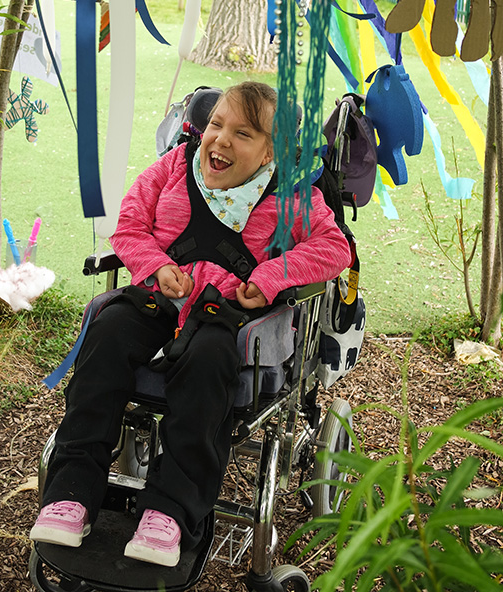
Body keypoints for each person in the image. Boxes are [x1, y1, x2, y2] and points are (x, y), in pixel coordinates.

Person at [29, 81, 351, 567]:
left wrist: (269, 277)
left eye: (243, 133)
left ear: (271, 153)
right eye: (216, 125)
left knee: (207, 363)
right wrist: (156, 265)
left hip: (222, 315)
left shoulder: (291, 196)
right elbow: (130, 226)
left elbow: (333, 248)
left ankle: (170, 512)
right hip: (159, 297)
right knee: (109, 332)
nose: (220, 140)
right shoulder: (173, 167)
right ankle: (71, 493)